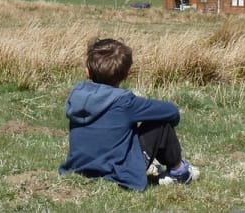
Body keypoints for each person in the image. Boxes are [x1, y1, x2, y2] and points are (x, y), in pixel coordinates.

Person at [59, 38, 199, 190]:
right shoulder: (125, 102)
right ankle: (179, 172)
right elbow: (171, 111)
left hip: (79, 168)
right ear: (127, 74)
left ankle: (151, 165)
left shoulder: (76, 95)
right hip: (121, 174)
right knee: (161, 124)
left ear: (87, 71)